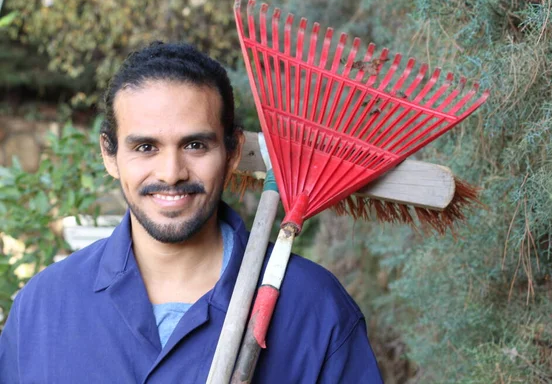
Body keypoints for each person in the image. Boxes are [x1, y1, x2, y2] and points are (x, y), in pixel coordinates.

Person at [0, 42, 383, 383]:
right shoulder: (43, 309)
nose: (171, 173)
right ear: (109, 154)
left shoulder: (314, 309)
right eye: (146, 147)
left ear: (232, 153)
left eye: (196, 145)